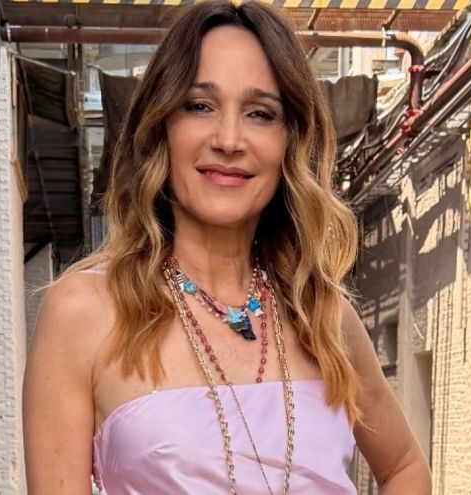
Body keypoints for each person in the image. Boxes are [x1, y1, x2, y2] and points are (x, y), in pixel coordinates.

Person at [22, 1, 431, 493]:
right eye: (200, 105)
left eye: (261, 113)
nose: (229, 139)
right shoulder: (83, 313)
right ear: (161, 128)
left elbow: (404, 466)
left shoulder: (322, 315)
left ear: (289, 143)